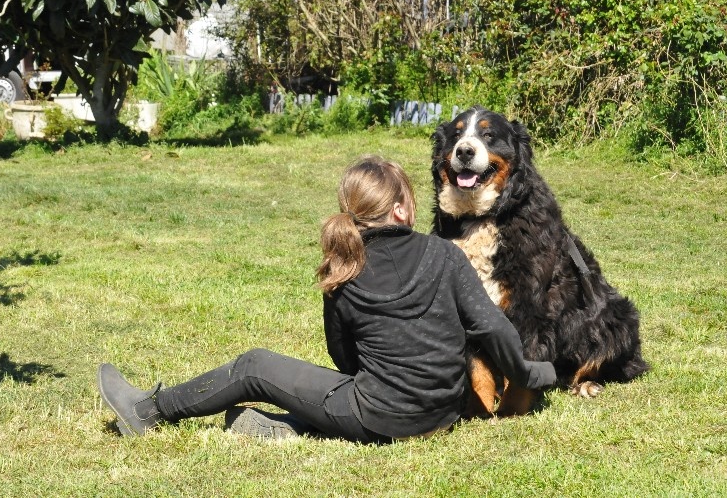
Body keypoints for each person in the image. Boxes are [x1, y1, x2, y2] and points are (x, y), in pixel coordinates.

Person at [97, 156, 556, 443]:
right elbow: (494, 330)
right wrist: (531, 373)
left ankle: (148, 412)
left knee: (254, 366)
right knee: (335, 401)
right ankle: (280, 430)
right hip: (444, 413)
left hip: (380, 416)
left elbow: (343, 357)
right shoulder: (443, 253)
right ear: (400, 210)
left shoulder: (347, 268)